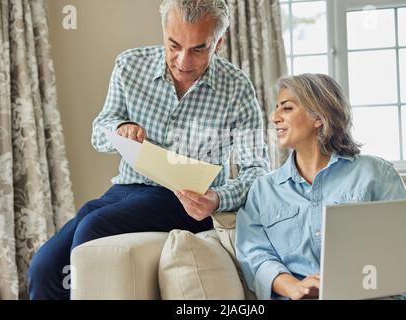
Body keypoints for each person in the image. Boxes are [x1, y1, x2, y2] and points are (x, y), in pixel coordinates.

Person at [28, 0, 270, 300]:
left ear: (218, 43)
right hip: (124, 191)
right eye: (174, 45)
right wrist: (120, 130)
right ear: (163, 32)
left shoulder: (237, 88)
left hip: (186, 202)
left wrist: (217, 198)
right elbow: (100, 129)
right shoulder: (130, 65)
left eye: (198, 49)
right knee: (43, 267)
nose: (183, 61)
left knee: (93, 226)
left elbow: (257, 170)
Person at [235, 73, 406, 300]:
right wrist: (294, 288)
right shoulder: (264, 190)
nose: (274, 117)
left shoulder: (374, 173)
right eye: (276, 108)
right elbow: (254, 254)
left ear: (318, 117)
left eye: (286, 108)